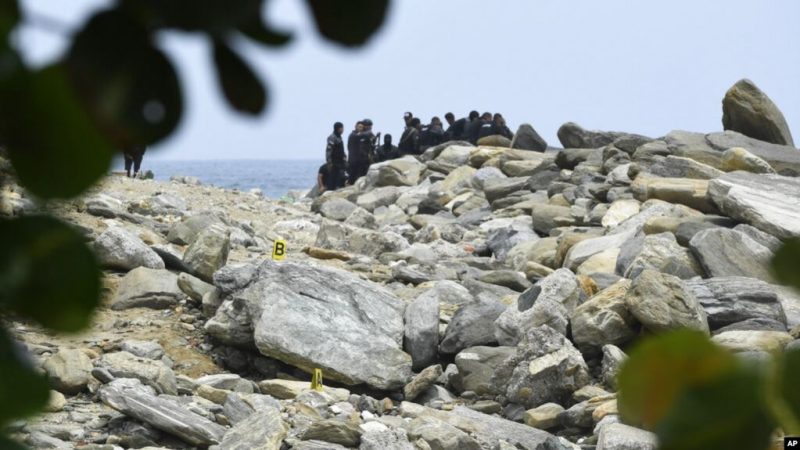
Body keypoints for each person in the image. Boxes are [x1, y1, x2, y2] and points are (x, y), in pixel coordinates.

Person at [349, 118, 377, 184]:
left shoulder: (368, 133)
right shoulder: (357, 134)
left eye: (370, 126)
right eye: (368, 126)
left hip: (367, 157)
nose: (370, 127)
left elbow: (373, 140)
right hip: (358, 159)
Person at [325, 122, 347, 189]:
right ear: (338, 128)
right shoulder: (332, 137)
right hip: (334, 161)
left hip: (340, 161)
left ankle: (338, 187)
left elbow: (341, 149)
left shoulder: (339, 137)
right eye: (342, 128)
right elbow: (329, 150)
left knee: (340, 176)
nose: (343, 130)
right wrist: (329, 162)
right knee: (333, 177)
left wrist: (344, 155)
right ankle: (331, 189)